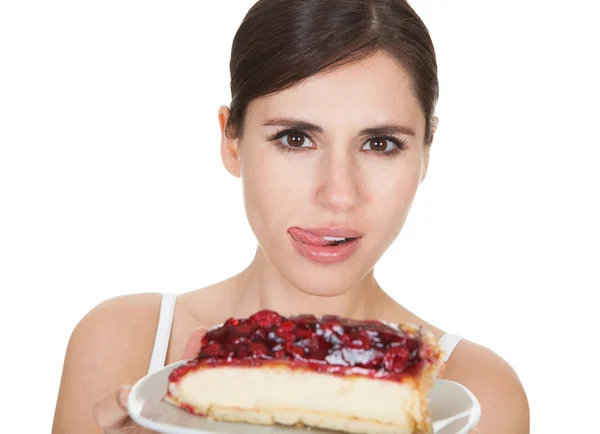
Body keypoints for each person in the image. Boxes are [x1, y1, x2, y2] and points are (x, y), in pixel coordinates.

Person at [52, 0, 530, 433]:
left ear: (426, 153)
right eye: (296, 139)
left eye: (380, 144)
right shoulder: (123, 344)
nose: (338, 195)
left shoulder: (477, 396)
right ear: (230, 141)